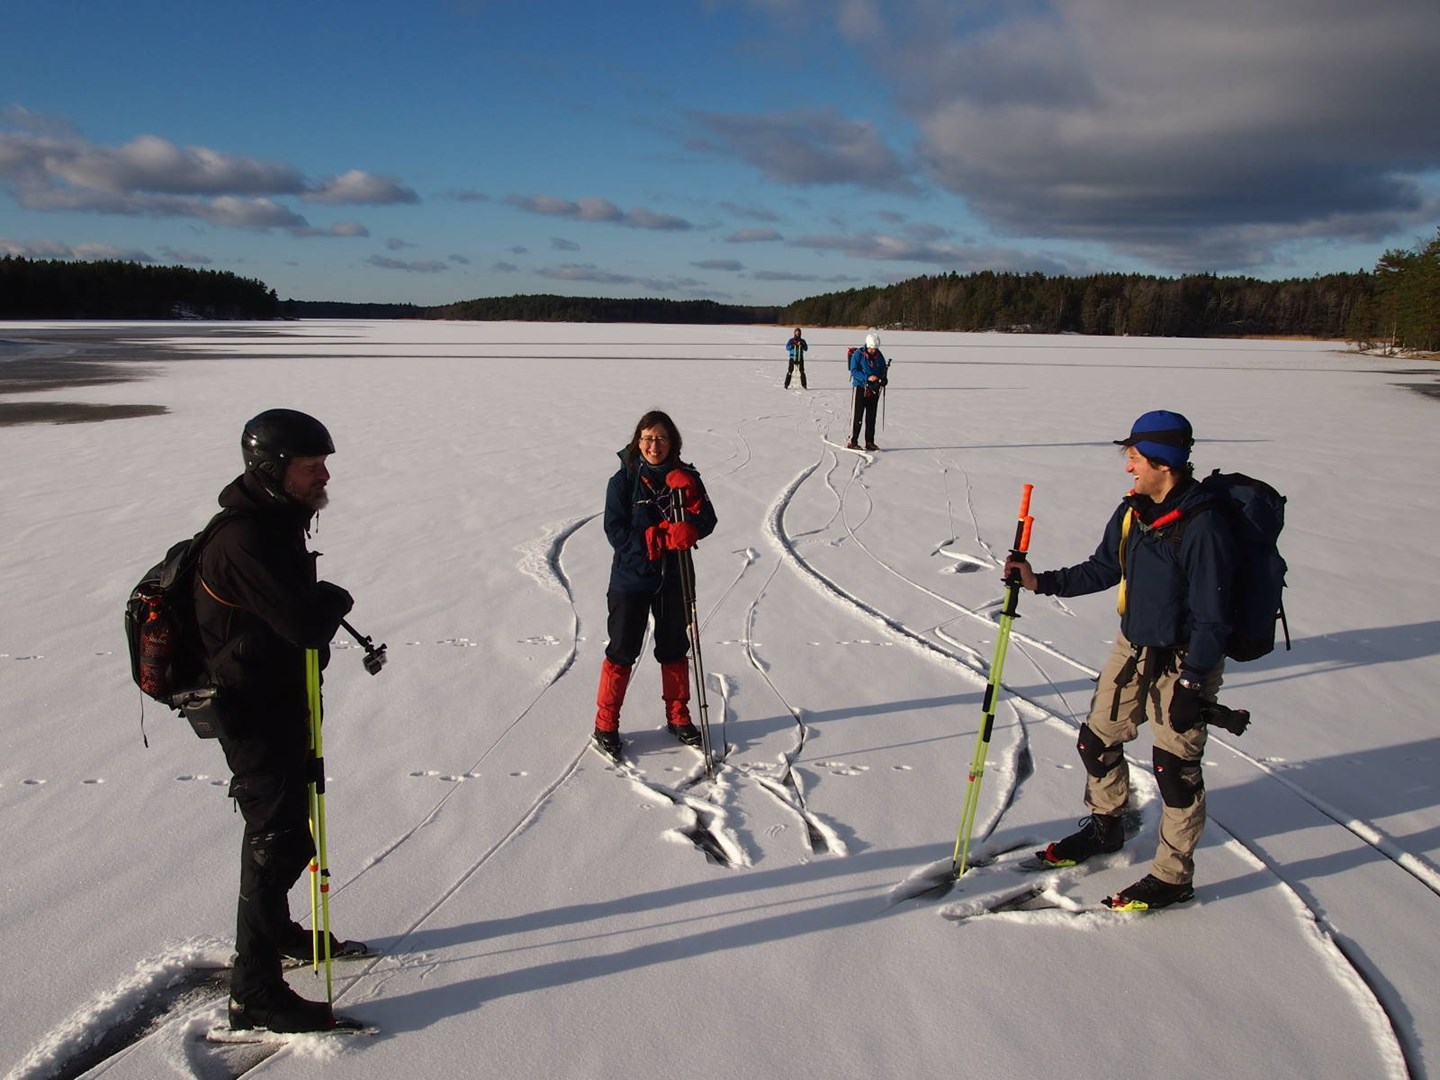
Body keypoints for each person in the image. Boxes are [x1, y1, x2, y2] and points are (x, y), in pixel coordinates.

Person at [1003, 410, 1234, 911]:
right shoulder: (1132, 511)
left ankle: (1173, 877)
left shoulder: (1203, 525)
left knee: (1175, 768)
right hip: (1132, 648)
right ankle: (1107, 827)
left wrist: (1194, 685)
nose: (1128, 465)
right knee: (1096, 739)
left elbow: (1215, 618)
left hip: (1185, 660)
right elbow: (1105, 567)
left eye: (1135, 456)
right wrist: (1042, 581)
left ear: (1164, 463)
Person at [194, 409, 366, 1032]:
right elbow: (301, 622)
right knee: (276, 838)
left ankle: (281, 932)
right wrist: (333, 599)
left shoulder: (277, 521)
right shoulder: (245, 539)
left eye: (324, 463)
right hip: (251, 709)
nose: (323, 474)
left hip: (278, 696)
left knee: (287, 826)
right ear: (271, 469)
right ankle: (254, 989)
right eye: (310, 465)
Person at [593, 410, 718, 759]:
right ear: (637, 442)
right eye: (647, 438)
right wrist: (659, 536)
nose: (654, 445)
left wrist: (691, 526)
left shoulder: (688, 478)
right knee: (621, 650)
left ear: (672, 442)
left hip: (675, 577)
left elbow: (708, 518)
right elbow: (615, 532)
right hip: (631, 580)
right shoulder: (623, 482)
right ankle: (605, 723)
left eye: (661, 438)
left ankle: (678, 717)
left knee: (674, 648)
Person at [846, 332, 888, 450]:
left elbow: (882, 370)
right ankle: (853, 441)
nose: (873, 351)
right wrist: (867, 377)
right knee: (857, 416)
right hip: (860, 388)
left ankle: (869, 442)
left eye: (875, 349)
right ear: (867, 345)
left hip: (874, 390)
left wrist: (883, 380)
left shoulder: (879, 356)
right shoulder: (858, 355)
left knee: (871, 417)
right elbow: (854, 371)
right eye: (871, 349)